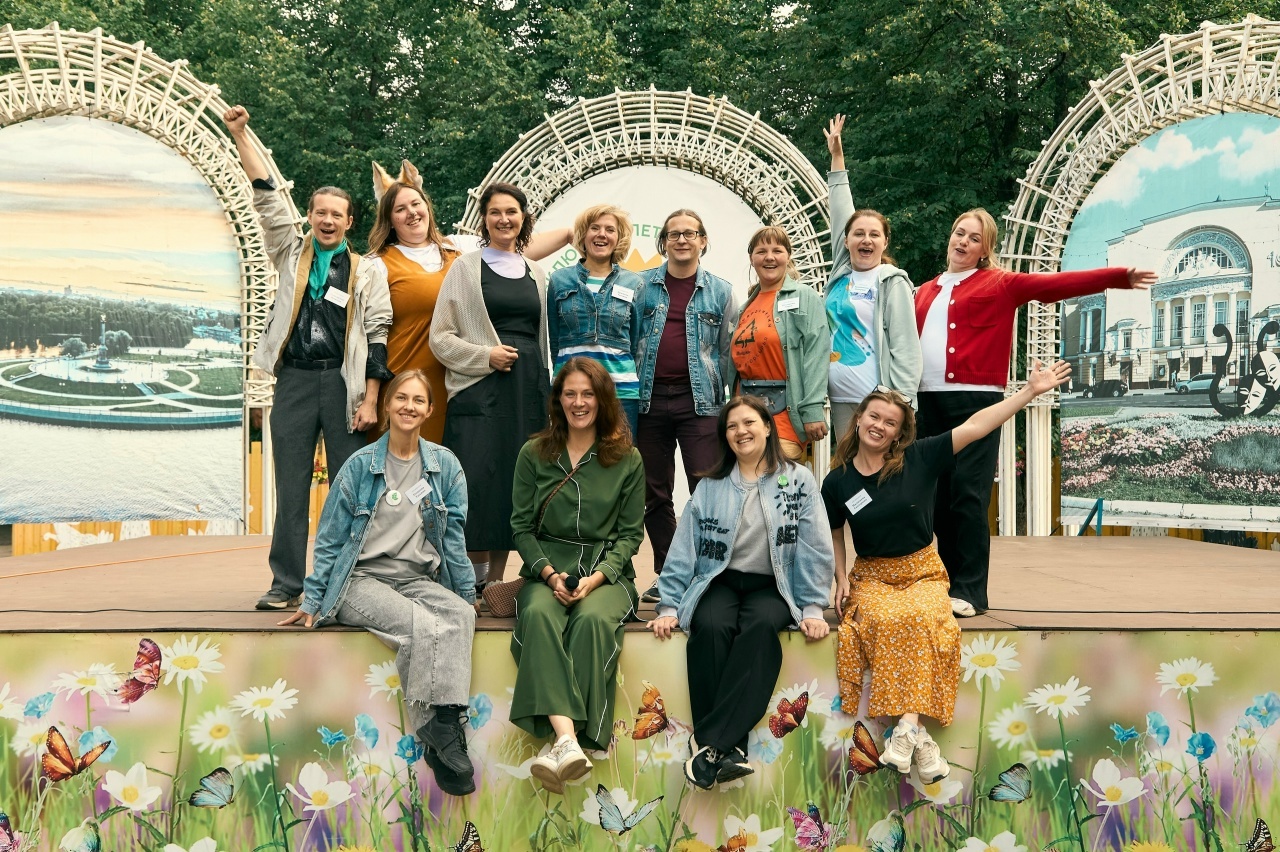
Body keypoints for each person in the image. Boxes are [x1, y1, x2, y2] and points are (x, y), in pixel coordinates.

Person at [821, 360, 1072, 782]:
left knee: (925, 618)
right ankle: (918, 740)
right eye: (874, 417)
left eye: (890, 422)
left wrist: (1029, 392)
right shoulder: (838, 481)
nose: (879, 426)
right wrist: (840, 577)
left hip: (922, 570)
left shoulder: (919, 457)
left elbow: (976, 426)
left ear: (899, 433)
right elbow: (833, 529)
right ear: (859, 418)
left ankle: (906, 728)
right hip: (873, 575)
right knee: (885, 619)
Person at [915, 210, 1157, 617]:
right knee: (936, 498)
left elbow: (1056, 285)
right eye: (959, 233)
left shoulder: (1000, 283)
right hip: (927, 401)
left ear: (985, 249)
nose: (963, 242)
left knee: (968, 496)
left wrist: (1117, 277)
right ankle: (945, 584)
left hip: (976, 401)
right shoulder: (923, 290)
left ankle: (971, 592)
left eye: (974, 238)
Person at [223, 105, 394, 612]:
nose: (327, 220)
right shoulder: (289, 251)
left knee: (350, 488)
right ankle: (286, 583)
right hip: (295, 381)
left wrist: (371, 399)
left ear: (349, 221)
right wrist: (241, 134)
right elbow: (265, 196)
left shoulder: (367, 270)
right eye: (320, 212)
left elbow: (378, 336)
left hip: (344, 385)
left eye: (337, 214)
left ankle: (343, 581)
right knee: (291, 485)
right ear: (311, 215)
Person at [279, 370, 478, 796]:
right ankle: (439, 731)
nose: (409, 406)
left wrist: (466, 594)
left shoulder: (444, 466)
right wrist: (313, 599)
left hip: (416, 578)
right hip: (361, 579)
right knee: (422, 626)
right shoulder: (359, 466)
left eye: (418, 400)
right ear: (387, 405)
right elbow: (330, 538)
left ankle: (443, 731)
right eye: (401, 397)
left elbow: (454, 538)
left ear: (430, 409)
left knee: (460, 615)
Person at [651, 395, 834, 789]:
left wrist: (813, 607)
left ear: (767, 427)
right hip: (720, 579)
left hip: (774, 584)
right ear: (725, 436)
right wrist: (669, 604)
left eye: (749, 422)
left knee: (761, 627)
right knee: (710, 625)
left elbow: (815, 545)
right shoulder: (711, 485)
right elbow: (684, 548)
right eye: (732, 426)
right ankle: (730, 750)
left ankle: (709, 746)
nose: (741, 431)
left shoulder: (798, 480)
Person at [508, 357, 644, 794]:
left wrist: (597, 578)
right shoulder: (533, 453)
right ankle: (569, 739)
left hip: (607, 573)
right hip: (547, 567)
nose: (579, 402)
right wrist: (549, 576)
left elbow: (630, 535)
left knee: (590, 620)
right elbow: (521, 528)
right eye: (570, 393)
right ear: (558, 399)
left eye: (588, 394)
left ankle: (563, 743)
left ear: (602, 400)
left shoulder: (628, 459)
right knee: (538, 615)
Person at [365, 163, 570, 443]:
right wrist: (369, 397)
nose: (411, 212)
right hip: (405, 379)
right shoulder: (376, 264)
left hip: (461, 378)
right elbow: (371, 334)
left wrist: (570, 234)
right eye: (400, 209)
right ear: (388, 218)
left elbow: (515, 249)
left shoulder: (459, 249)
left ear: (427, 206)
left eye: (416, 204)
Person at [430, 182, 551, 590]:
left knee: (517, 483)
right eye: (495, 212)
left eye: (511, 211)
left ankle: (496, 582)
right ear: (484, 219)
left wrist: (545, 390)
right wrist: (486, 357)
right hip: (479, 390)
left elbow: (542, 341)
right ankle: (466, 578)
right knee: (473, 479)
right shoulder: (465, 268)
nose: (504, 219)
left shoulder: (537, 273)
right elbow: (440, 338)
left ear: (523, 218)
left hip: (526, 391)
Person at [634, 210, 739, 603]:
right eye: (674, 234)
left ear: (703, 241)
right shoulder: (640, 286)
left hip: (701, 403)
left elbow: (727, 352)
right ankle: (669, 574)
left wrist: (728, 403)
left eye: (689, 233)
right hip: (648, 402)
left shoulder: (722, 292)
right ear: (663, 242)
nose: (681, 240)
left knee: (707, 487)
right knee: (653, 492)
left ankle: (708, 574)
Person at [822, 115, 921, 440]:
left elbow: (906, 347)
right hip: (841, 401)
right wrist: (837, 156)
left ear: (885, 242)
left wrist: (903, 403)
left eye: (874, 234)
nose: (866, 240)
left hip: (880, 405)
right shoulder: (841, 272)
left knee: (882, 469)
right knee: (847, 469)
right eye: (858, 233)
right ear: (846, 241)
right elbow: (840, 209)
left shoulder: (892, 282)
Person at [725, 226, 830, 461]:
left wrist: (812, 409)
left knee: (775, 475)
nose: (769, 257)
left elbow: (817, 355)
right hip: (746, 413)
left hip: (785, 413)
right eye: (761, 251)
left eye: (777, 251)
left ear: (788, 256)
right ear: (752, 259)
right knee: (748, 477)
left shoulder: (804, 297)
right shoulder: (745, 308)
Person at [546, 204, 645, 438]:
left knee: (619, 455)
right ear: (583, 234)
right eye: (594, 228)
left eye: (610, 230)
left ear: (619, 238)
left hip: (620, 391)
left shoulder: (634, 283)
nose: (602, 234)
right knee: (569, 453)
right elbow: (554, 340)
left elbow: (636, 343)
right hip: (571, 391)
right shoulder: (559, 280)